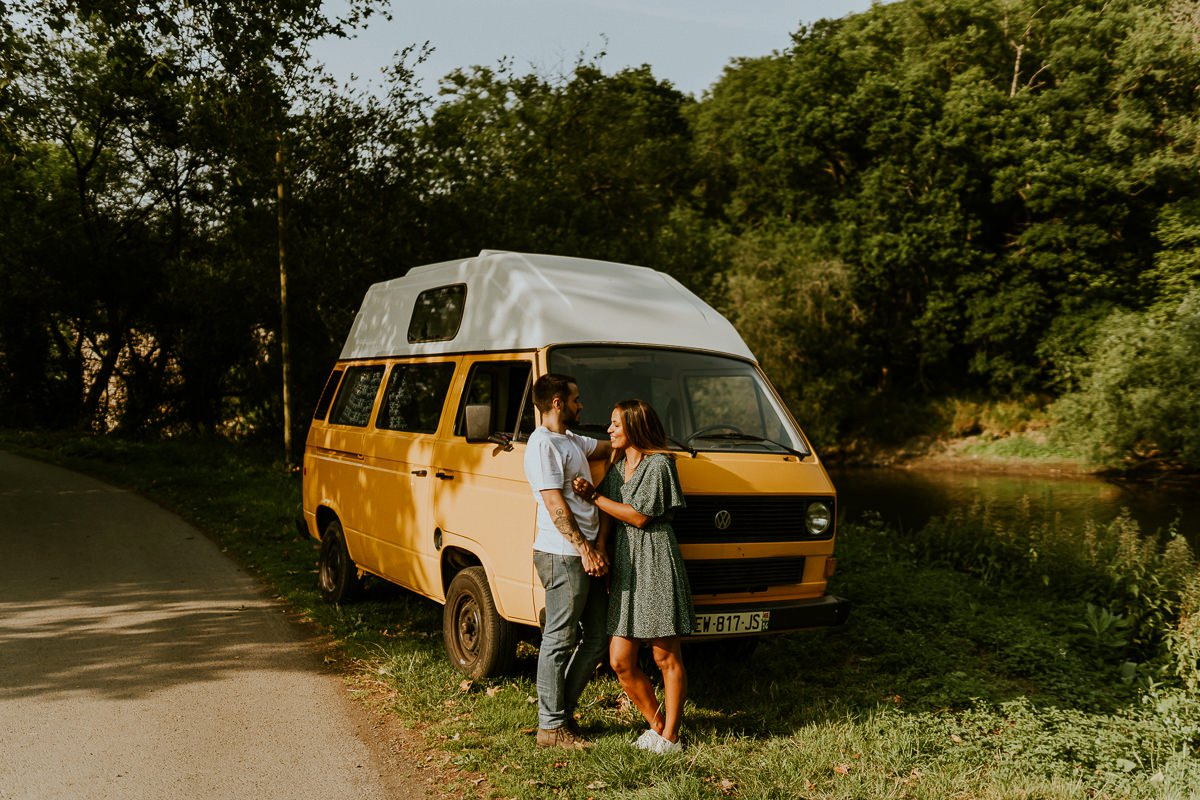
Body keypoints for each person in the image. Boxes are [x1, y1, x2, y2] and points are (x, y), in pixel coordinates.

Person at [573, 399, 693, 754]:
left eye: (615, 424)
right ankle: (658, 728)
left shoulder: (659, 465)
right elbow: (610, 519)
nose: (608, 430)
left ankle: (671, 736)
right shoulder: (617, 468)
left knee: (664, 654)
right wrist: (599, 550)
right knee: (620, 659)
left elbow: (640, 516)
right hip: (627, 563)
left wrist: (593, 496)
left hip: (655, 558)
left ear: (635, 427)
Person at [523, 373, 612, 749]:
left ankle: (561, 714)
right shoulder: (543, 445)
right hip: (563, 555)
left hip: (582, 553)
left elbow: (608, 448)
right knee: (559, 639)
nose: (581, 406)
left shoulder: (571, 439)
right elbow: (554, 503)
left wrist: (634, 439)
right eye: (575, 400)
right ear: (558, 403)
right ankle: (550, 727)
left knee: (596, 637)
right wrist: (585, 548)